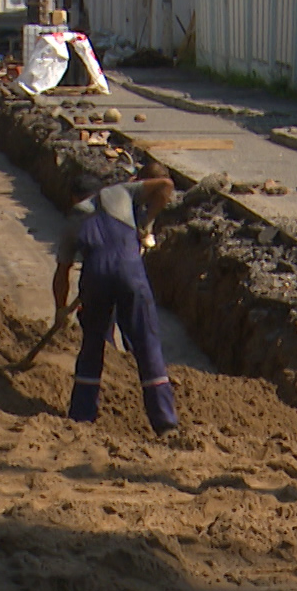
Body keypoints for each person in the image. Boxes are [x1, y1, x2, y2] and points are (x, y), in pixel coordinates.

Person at [52, 167, 178, 430]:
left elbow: (62, 272)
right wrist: (145, 224)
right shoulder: (119, 191)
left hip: (95, 278)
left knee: (92, 344)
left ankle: (82, 416)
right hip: (131, 272)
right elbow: (165, 186)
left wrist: (61, 310)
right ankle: (165, 422)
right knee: (147, 344)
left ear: (75, 197)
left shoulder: (74, 218)